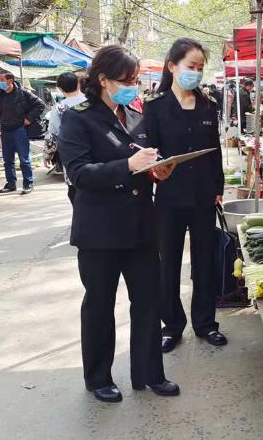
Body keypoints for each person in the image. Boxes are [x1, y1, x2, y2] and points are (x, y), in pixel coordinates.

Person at [58, 44, 179, 403]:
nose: (133, 86)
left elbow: (142, 164)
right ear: (103, 80)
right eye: (126, 80)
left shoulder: (135, 115)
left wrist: (158, 171)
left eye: (137, 80)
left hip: (141, 225)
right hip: (100, 231)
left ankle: (149, 373)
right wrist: (127, 167)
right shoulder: (78, 117)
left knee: (147, 301)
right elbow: (79, 173)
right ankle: (98, 378)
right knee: (99, 304)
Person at [144, 38, 227, 353]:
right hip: (169, 197)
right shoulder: (155, 106)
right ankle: (172, 326)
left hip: (204, 196)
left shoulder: (208, 105)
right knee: (168, 265)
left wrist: (218, 187)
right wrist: (155, 171)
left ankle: (206, 324)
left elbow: (215, 151)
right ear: (172, 66)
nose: (195, 73)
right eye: (190, 67)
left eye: (200, 68)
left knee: (204, 263)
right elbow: (148, 151)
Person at [0, 70, 45, 195]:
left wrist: (28, 119)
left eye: (2, 80)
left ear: (10, 80)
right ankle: (11, 184)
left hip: (19, 129)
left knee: (24, 159)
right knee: (7, 160)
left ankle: (28, 183)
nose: (0, 83)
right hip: (5, 130)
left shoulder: (23, 93)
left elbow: (40, 105)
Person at [45, 72, 86, 203]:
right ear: (79, 84)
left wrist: (47, 154)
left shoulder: (59, 108)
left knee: (76, 193)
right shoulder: (93, 101)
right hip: (99, 157)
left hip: (72, 156)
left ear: (60, 89)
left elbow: (53, 135)